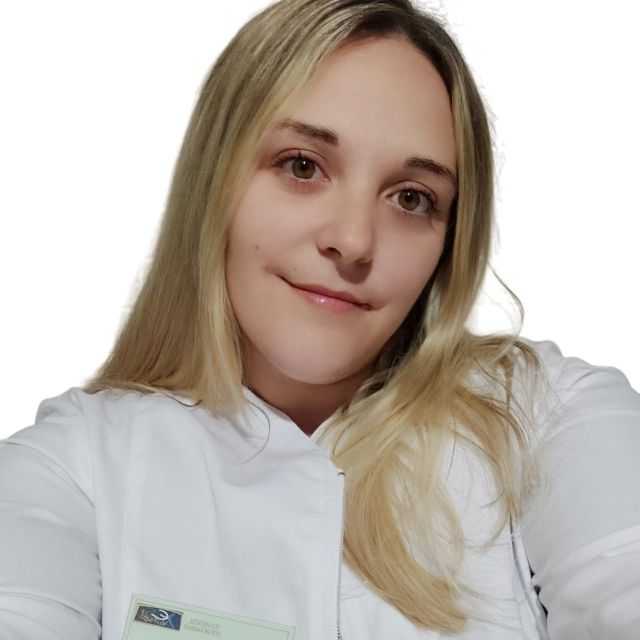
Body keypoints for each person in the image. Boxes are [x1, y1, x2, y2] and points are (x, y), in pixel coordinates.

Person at [1, 0, 638, 638]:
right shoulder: (70, 471)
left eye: (411, 198)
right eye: (302, 166)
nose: (353, 240)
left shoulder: (551, 417)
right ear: (213, 178)